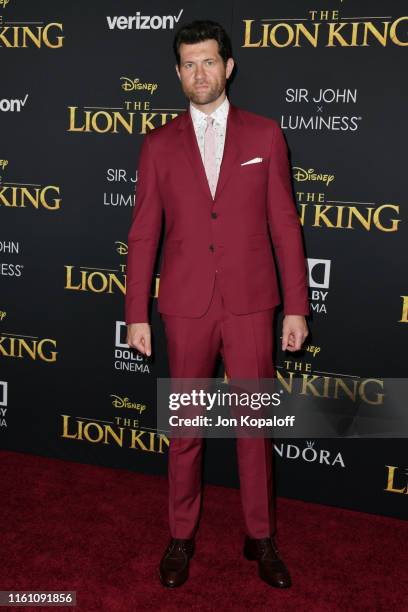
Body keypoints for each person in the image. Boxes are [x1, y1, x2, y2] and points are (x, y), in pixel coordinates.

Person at [125, 20, 309, 589]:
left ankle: (261, 537)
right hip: (184, 305)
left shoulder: (265, 135)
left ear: (228, 67)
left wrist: (297, 306)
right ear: (178, 73)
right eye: (188, 64)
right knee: (186, 427)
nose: (199, 73)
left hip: (253, 303)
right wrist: (136, 313)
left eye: (208, 61)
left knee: (254, 426)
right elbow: (143, 237)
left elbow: (284, 224)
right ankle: (181, 536)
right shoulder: (157, 145)